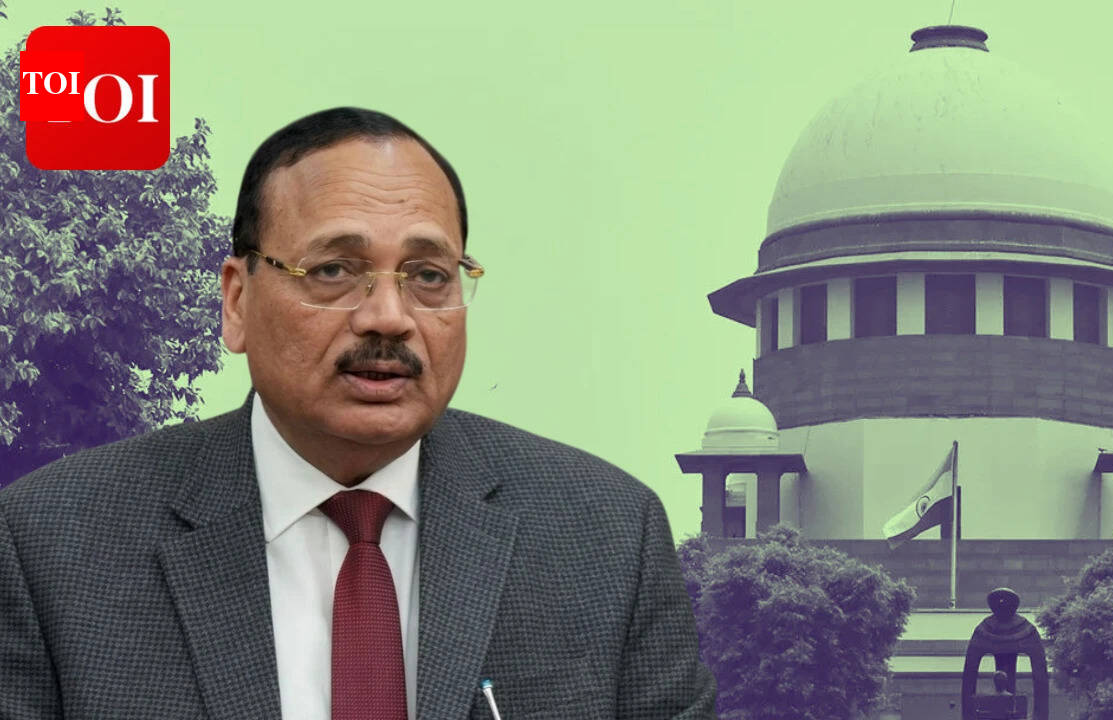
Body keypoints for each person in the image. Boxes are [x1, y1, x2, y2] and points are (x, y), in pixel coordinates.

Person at [0, 107, 716, 719]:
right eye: (334, 271)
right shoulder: (53, 546)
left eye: (428, 276)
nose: (389, 317)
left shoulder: (606, 537)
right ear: (237, 301)